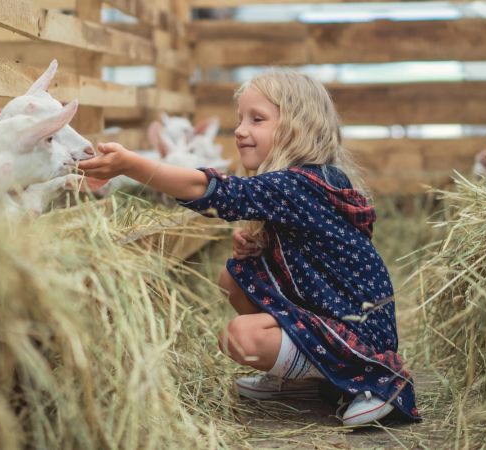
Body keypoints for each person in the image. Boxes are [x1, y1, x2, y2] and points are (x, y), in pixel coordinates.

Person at [79, 69, 420, 426]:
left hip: (358, 332)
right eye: (240, 119)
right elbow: (312, 256)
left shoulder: (295, 184)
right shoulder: (313, 181)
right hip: (335, 311)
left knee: (240, 338)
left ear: (297, 128)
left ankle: (376, 383)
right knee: (234, 275)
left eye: (257, 119)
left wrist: (132, 165)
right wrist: (262, 247)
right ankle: (301, 380)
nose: (241, 130)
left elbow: (219, 192)